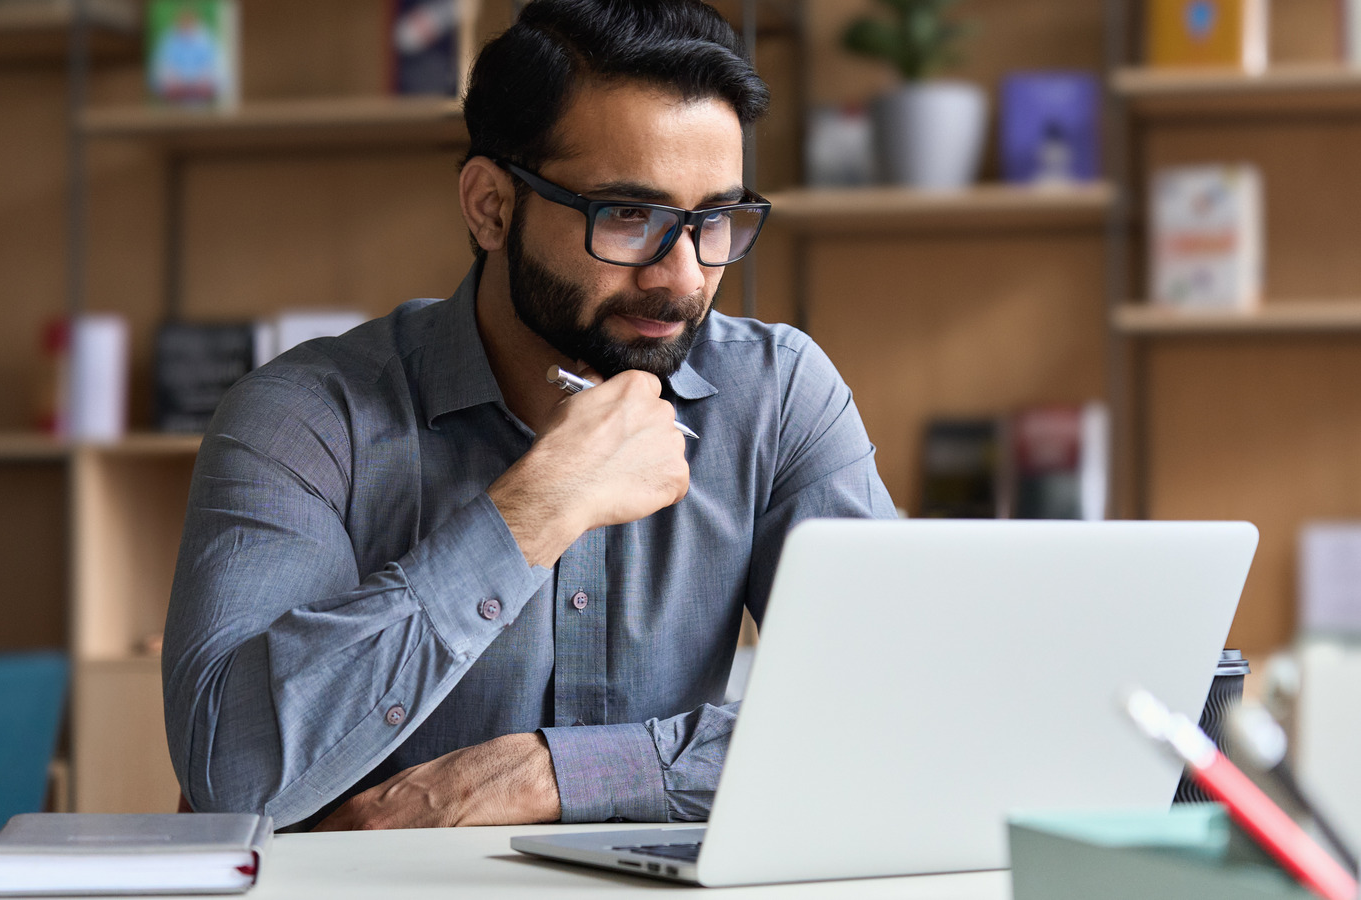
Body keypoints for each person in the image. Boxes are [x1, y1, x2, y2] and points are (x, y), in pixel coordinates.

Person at [161, 0, 896, 833]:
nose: (684, 278)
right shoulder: (305, 419)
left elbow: (900, 710)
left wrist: (552, 774)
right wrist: (531, 511)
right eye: (629, 215)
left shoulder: (779, 394)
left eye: (713, 220)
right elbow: (231, 776)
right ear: (491, 208)